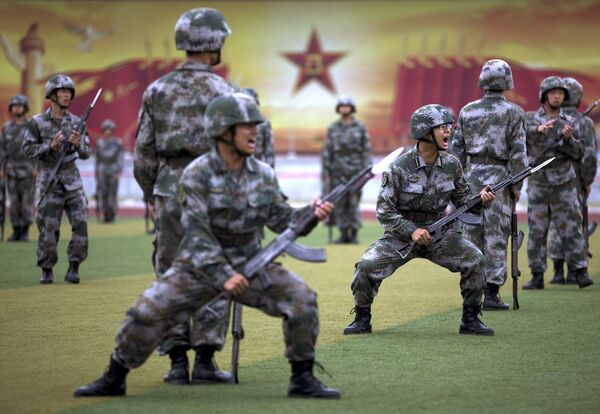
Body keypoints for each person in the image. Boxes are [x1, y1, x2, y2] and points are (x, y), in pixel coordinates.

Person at [74, 93, 340, 399]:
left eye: (256, 125)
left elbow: (282, 220)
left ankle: (302, 379)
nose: (255, 132)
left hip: (249, 262)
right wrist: (223, 274)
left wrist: (309, 216)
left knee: (301, 298)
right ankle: (114, 376)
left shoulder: (263, 174)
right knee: (146, 312)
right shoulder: (197, 173)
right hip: (199, 265)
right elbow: (197, 232)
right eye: (246, 126)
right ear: (224, 131)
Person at [133, 8, 237, 385]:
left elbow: (143, 154)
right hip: (213, 188)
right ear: (213, 43)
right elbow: (238, 152)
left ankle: (176, 362)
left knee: (171, 273)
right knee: (214, 269)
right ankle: (206, 362)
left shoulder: (156, 90)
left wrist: (153, 194)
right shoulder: (225, 92)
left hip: (168, 190)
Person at [343, 104, 496, 336]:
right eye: (441, 127)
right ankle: (363, 318)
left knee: (475, 260)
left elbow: (465, 202)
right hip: (401, 235)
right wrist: (411, 230)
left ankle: (471, 319)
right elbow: (384, 210)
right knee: (366, 266)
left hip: (440, 233)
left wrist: (482, 200)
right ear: (425, 132)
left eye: (448, 127)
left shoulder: (452, 164)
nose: (448, 132)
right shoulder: (399, 167)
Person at [449, 59, 528, 310]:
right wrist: (517, 185)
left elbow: (456, 150)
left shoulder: (467, 110)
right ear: (507, 81)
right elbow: (518, 152)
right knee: (496, 234)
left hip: (470, 176)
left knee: (471, 234)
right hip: (500, 178)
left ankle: (472, 290)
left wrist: (455, 183)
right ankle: (492, 293)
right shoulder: (514, 112)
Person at [522, 76, 593, 289]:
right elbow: (519, 139)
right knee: (537, 230)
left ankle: (580, 271)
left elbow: (579, 152)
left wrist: (569, 139)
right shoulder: (530, 119)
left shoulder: (571, 122)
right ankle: (536, 275)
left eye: (561, 93)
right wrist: (539, 131)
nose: (557, 96)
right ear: (544, 95)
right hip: (539, 181)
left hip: (564, 181)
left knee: (571, 227)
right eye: (553, 92)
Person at [22, 75, 91, 284]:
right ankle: (47, 268)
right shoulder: (36, 122)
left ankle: (74, 266)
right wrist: (48, 146)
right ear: (52, 95)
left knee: (81, 224)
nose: (67, 95)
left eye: (69, 92)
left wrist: (78, 144)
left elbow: (87, 152)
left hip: (73, 181)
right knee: (48, 228)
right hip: (49, 180)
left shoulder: (78, 122)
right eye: (62, 92)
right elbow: (26, 149)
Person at [548, 77, 598, 284]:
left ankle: (558, 271)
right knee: (573, 224)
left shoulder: (552, 119)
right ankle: (575, 271)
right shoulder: (584, 123)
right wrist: (587, 182)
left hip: (552, 178)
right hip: (574, 180)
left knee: (555, 224)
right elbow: (588, 156)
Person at [322, 95, 371, 244]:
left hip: (356, 169)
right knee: (341, 201)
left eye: (347, 106)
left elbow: (366, 148)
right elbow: (328, 149)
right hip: (338, 168)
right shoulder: (333, 128)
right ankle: (343, 233)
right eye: (342, 106)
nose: (344, 109)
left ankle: (354, 233)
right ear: (338, 109)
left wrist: (366, 168)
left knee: (354, 201)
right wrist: (327, 168)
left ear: (352, 109)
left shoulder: (360, 127)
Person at [0, 94, 37, 241]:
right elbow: (2, 150)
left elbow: (37, 149)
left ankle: (25, 231)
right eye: (14, 106)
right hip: (11, 170)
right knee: (14, 203)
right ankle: (15, 230)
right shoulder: (6, 128)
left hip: (28, 171)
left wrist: (36, 168)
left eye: (20, 106)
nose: (17, 109)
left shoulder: (32, 127)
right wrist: (2, 168)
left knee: (27, 203)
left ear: (25, 108)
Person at [95, 119, 123, 223]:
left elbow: (120, 158)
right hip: (102, 171)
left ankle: (112, 215)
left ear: (113, 130)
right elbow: (97, 160)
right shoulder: (99, 143)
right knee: (103, 194)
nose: (108, 131)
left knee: (112, 194)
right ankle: (105, 215)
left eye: (110, 129)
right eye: (106, 129)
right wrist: (96, 174)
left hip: (114, 171)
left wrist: (119, 172)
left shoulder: (118, 143)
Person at [242, 87, 275, 168]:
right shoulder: (235, 123)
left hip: (256, 169)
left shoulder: (264, 123)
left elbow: (269, 151)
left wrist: (269, 173)